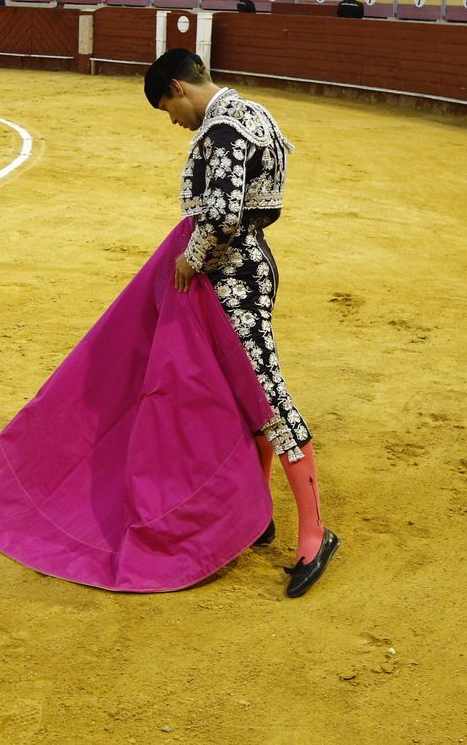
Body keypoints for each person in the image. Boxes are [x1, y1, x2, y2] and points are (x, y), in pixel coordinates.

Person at [145, 49, 338, 598]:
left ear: (180, 88)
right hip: (252, 263)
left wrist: (192, 254)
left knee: (268, 399)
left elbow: (224, 216)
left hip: (232, 273)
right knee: (238, 398)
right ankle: (254, 512)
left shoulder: (222, 131)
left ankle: (314, 532)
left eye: (167, 108)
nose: (173, 121)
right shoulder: (257, 114)